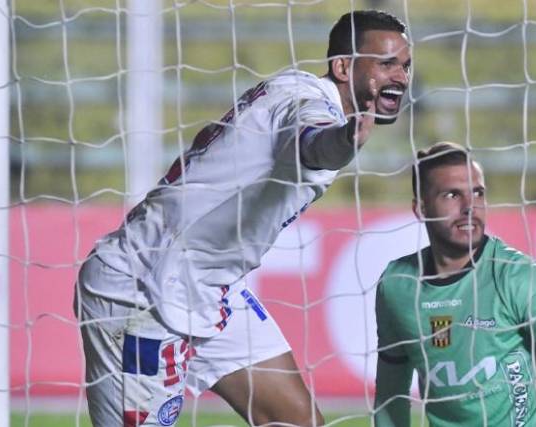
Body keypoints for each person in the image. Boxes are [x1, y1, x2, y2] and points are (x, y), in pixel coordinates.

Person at [74, 10, 411, 426]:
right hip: (142, 288)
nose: (401, 76)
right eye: (387, 63)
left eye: (406, 65)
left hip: (211, 288)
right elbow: (312, 142)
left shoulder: (292, 88)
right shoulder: (307, 105)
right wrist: (344, 141)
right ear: (343, 66)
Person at [373, 142, 536, 427]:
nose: (469, 207)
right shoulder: (397, 286)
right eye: (452, 195)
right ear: (421, 208)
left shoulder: (518, 278)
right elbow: (390, 398)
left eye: (478, 193)